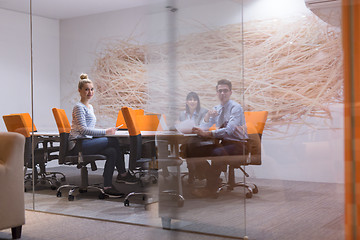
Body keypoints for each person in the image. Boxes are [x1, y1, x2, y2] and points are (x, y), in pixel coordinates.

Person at [68, 73, 138, 197]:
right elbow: (83, 130)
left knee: (112, 151)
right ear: (79, 91)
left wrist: (104, 131)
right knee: (113, 141)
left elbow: (88, 129)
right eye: (86, 89)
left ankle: (107, 185)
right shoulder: (78, 107)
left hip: (86, 142)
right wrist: (106, 132)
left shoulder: (90, 107)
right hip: (78, 145)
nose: (90, 92)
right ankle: (122, 174)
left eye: (91, 89)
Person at [187, 79, 248, 198]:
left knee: (217, 152)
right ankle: (213, 179)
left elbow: (229, 130)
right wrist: (207, 117)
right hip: (223, 142)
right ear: (216, 93)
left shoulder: (236, 108)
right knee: (191, 148)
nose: (222, 93)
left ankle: (211, 188)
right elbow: (205, 126)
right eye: (220, 91)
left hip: (238, 144)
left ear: (230, 92)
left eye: (225, 91)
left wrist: (207, 134)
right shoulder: (216, 108)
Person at [178, 92, 208, 184]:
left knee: (188, 148)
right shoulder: (182, 114)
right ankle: (197, 172)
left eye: (195, 99)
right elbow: (180, 127)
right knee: (188, 146)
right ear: (186, 102)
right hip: (186, 140)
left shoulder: (203, 112)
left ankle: (193, 173)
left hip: (199, 140)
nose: (192, 102)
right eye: (190, 99)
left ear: (198, 102)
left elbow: (206, 126)